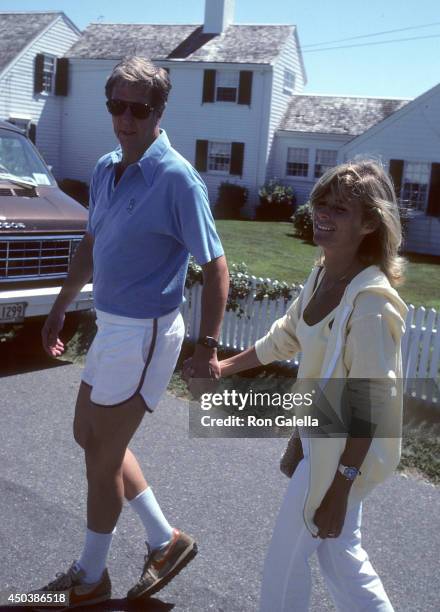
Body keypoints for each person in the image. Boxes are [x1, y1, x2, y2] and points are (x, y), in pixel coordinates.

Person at [35, 56, 229, 607]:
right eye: (116, 105)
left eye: (138, 108)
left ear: (160, 112)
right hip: (111, 325)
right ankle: (165, 539)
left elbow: (216, 266)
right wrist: (60, 306)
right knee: (88, 436)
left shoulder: (176, 179)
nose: (125, 118)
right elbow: (92, 246)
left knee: (102, 458)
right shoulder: (104, 167)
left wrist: (207, 347)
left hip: (146, 332)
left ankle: (91, 577)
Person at [219, 160, 407, 611]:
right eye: (321, 202)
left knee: (284, 564)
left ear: (368, 223)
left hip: (344, 454)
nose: (323, 213)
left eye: (340, 209)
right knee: (340, 554)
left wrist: (341, 488)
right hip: (321, 441)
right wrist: (223, 369)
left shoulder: (371, 305)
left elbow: (370, 404)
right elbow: (287, 335)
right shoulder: (323, 271)